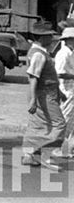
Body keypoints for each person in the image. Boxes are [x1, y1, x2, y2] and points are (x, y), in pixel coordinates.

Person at [22, 21, 66, 170]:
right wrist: (33, 99)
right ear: (41, 37)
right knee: (59, 124)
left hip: (46, 92)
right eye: (49, 35)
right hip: (44, 94)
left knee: (39, 124)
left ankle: (29, 154)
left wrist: (59, 92)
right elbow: (34, 77)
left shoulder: (39, 52)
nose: (52, 38)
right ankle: (45, 154)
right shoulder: (39, 55)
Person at [55, 27, 74, 159]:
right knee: (65, 119)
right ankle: (60, 148)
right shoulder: (63, 54)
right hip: (66, 90)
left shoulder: (71, 53)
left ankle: (69, 148)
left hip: (72, 89)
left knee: (71, 121)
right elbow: (60, 73)